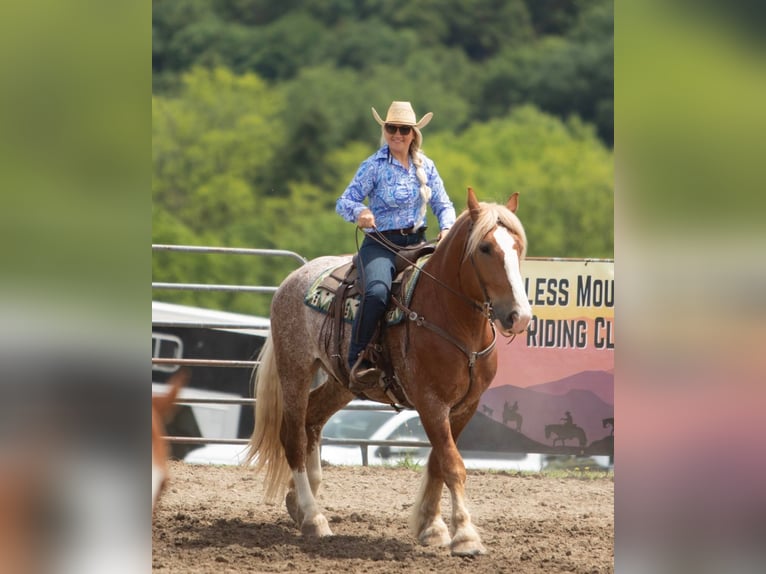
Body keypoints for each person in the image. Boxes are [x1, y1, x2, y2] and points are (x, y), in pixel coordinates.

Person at [336, 101, 456, 392]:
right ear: (385, 130)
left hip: (418, 243)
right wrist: (359, 213)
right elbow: (344, 201)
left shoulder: (426, 167)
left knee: (448, 289)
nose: (397, 134)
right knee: (377, 292)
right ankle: (358, 359)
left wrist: (448, 228)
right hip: (381, 244)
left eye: (404, 129)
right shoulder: (373, 166)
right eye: (392, 128)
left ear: (413, 133)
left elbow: (443, 204)